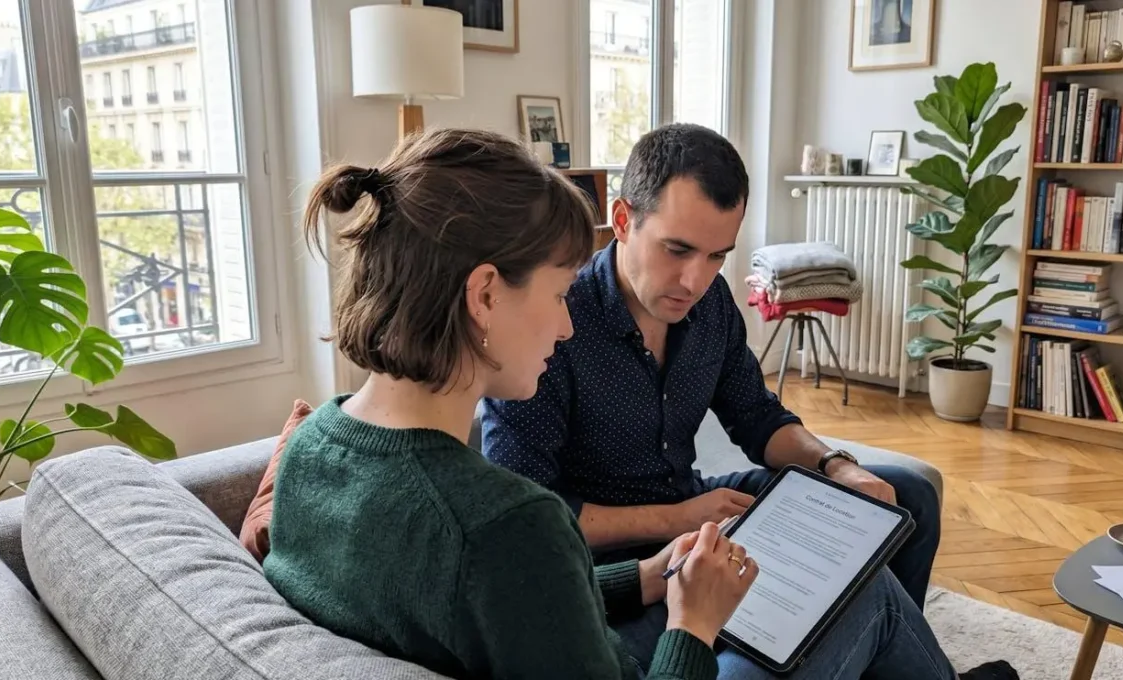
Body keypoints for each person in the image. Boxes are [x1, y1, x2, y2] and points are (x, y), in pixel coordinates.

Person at [264, 127, 967, 680]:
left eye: (717, 257)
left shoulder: (312, 447)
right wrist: (691, 624)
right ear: (484, 295)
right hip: (639, 579)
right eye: (554, 292)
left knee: (890, 506)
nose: (564, 321)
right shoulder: (510, 524)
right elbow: (527, 567)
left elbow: (518, 602)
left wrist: (649, 579)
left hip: (656, 544)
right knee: (862, 598)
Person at [480, 123, 1019, 679]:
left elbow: (758, 417)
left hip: (699, 511)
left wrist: (837, 466)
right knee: (842, 606)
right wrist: (675, 517)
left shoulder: (709, 304)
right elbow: (535, 517)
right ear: (623, 220)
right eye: (678, 249)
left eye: (717, 255)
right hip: (623, 568)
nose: (695, 279)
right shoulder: (552, 325)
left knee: (904, 497)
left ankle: (868, 656)